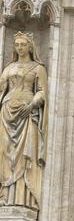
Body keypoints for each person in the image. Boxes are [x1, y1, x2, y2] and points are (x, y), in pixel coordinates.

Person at [0, 32, 47, 211]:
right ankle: (6, 195)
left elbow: (42, 91)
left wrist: (33, 104)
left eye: (22, 44)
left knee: (24, 156)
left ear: (30, 46)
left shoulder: (37, 68)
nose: (19, 48)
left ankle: (22, 199)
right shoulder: (8, 68)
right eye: (17, 45)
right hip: (6, 113)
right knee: (5, 152)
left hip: (27, 114)